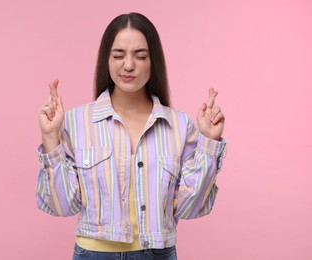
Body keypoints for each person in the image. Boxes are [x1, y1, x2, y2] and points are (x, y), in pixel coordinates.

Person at [36, 12, 226, 260]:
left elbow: (191, 207)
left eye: (140, 56)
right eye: (118, 55)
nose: (128, 65)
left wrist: (208, 142)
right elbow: (62, 205)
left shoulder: (179, 125)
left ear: (153, 61)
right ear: (107, 59)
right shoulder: (76, 121)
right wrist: (50, 137)